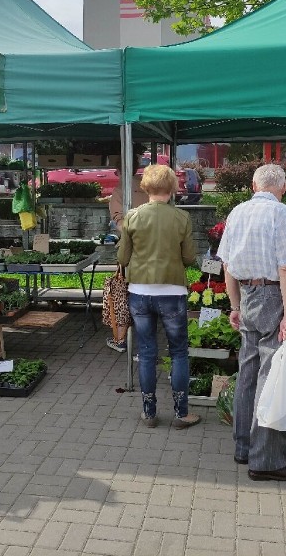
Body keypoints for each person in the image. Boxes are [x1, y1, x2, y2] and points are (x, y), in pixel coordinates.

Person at [217, 163, 286, 482]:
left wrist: (235, 305)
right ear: (282, 188)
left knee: (249, 372)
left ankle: (244, 448)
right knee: (274, 377)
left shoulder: (237, 212)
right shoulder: (282, 214)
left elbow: (226, 265)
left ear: (254, 187)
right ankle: (266, 461)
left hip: (247, 294)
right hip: (272, 297)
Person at [117, 164, 200, 430]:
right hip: (173, 291)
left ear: (146, 188)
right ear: (173, 187)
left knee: (147, 352)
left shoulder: (132, 216)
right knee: (178, 352)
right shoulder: (182, 218)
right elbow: (189, 258)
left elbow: (122, 258)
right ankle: (181, 413)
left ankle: (149, 412)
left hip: (139, 291)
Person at [106, 151, 149, 353]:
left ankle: (122, 338)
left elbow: (119, 221)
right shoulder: (147, 185)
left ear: (118, 170)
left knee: (124, 293)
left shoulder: (119, 190)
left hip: (131, 249)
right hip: (153, 249)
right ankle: (146, 338)